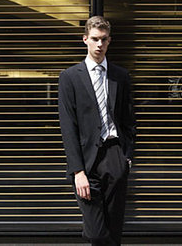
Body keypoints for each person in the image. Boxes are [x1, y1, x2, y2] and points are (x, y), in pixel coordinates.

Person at [58, 15, 136, 246]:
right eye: (95, 39)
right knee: (96, 230)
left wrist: (126, 157)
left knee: (113, 228)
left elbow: (128, 120)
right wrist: (77, 171)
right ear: (85, 40)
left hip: (114, 154)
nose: (99, 44)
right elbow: (68, 126)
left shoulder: (120, 76)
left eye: (104, 39)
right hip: (86, 160)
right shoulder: (69, 77)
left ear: (109, 41)